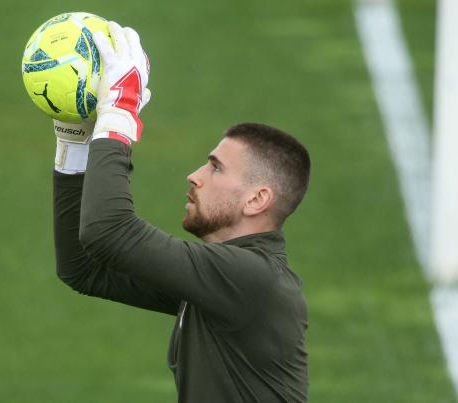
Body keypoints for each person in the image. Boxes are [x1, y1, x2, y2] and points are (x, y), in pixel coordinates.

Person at [51, 21, 311, 403]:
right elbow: (85, 268)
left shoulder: (252, 280)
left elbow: (109, 231)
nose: (194, 176)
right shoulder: (224, 280)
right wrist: (74, 141)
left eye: (216, 167)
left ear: (257, 199)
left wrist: (120, 110)